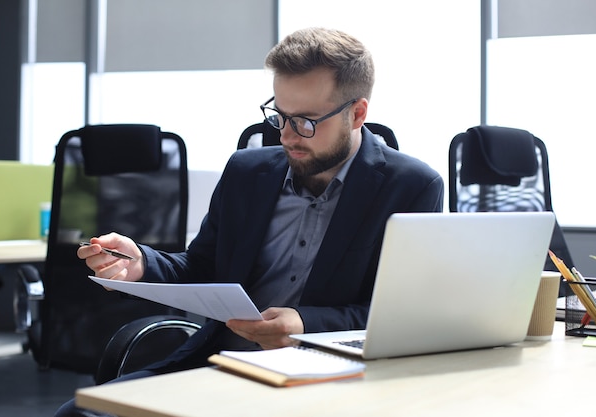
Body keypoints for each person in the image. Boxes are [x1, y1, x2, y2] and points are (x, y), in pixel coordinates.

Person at [55, 27, 443, 416]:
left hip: (330, 378)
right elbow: (203, 268)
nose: (287, 136)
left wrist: (305, 322)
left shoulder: (410, 186)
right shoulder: (246, 171)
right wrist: (142, 263)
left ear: (357, 114)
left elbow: (397, 316)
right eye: (280, 115)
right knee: (81, 412)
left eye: (306, 121)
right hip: (223, 363)